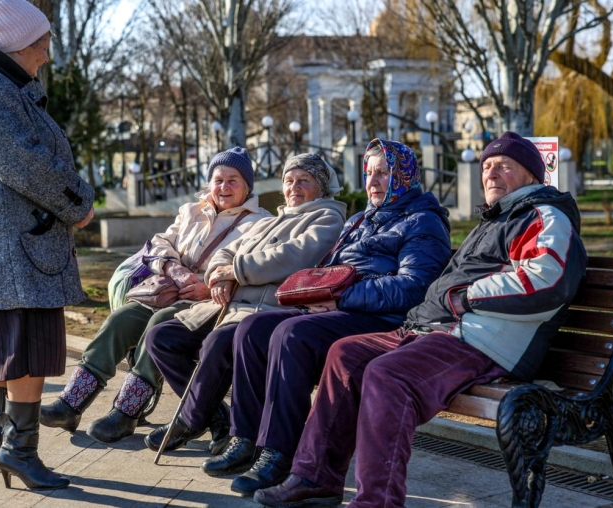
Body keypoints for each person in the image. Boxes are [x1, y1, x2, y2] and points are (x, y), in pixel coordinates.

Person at [255, 131, 588, 507]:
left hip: (480, 340)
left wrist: (464, 297)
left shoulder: (542, 214)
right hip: (435, 330)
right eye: (487, 167)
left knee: (388, 375)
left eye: (504, 167)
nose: (491, 174)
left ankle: (377, 501)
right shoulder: (497, 218)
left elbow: (547, 281)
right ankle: (315, 477)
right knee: (345, 355)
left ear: (530, 174)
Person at [201, 141, 452, 497]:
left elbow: (413, 287)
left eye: (383, 172)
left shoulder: (423, 221)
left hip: (383, 319)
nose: (374, 181)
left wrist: (340, 297)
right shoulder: (360, 219)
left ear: (404, 175)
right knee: (252, 328)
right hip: (340, 309)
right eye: (369, 173)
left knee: (291, 334)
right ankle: (246, 438)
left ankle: (279, 453)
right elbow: (327, 271)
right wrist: (319, 294)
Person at [0, 0, 95, 490]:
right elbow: (27, 164)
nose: (48, 55)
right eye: (43, 44)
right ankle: (18, 450)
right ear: (18, 45)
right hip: (14, 248)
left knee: (17, 349)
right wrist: (79, 203)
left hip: (16, 244)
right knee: (27, 352)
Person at [40, 147, 269, 445]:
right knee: (120, 319)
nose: (224, 187)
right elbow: (159, 243)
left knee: (159, 324)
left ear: (247, 186)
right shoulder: (191, 210)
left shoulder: (260, 222)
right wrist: (173, 268)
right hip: (169, 290)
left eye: (233, 180)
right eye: (218, 179)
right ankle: (72, 403)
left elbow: (250, 268)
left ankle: (127, 412)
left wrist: (206, 285)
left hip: (208, 303)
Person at [143, 154, 348, 455]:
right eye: (289, 181)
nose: (294, 188)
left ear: (321, 186)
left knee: (217, 343)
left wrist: (236, 271)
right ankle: (213, 416)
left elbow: (294, 256)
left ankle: (190, 420)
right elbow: (224, 255)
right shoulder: (274, 219)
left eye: (304, 180)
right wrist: (221, 276)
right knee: (160, 337)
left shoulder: (327, 217)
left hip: (265, 310)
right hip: (227, 305)